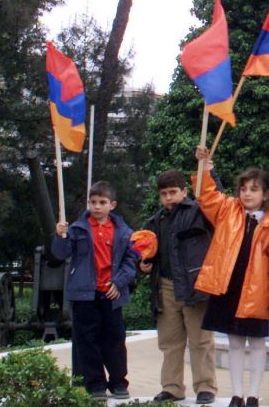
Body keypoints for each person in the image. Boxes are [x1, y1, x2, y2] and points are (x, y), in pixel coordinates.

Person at [193, 148, 269, 407]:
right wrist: (205, 168)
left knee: (256, 342)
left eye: (254, 189)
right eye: (243, 189)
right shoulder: (228, 210)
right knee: (233, 342)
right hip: (228, 285)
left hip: (257, 289)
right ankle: (237, 393)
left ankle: (253, 393)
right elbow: (206, 195)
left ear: (265, 194)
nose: (247, 194)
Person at [52, 180, 138, 400]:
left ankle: (119, 382)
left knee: (115, 340)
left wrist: (119, 282)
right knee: (87, 341)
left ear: (112, 204)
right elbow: (62, 254)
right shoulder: (77, 229)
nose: (97, 206)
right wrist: (59, 235)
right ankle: (95, 384)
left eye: (102, 202)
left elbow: (131, 260)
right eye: (93, 202)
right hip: (84, 294)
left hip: (111, 292)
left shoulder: (124, 231)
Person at [141, 169, 218, 404]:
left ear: (184, 191)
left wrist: (209, 172)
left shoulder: (199, 211)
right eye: (164, 193)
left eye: (173, 192)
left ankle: (206, 386)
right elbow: (146, 251)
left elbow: (218, 202)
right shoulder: (154, 221)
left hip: (194, 286)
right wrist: (143, 264)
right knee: (170, 342)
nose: (169, 198)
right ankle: (172, 387)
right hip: (165, 287)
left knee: (201, 340)